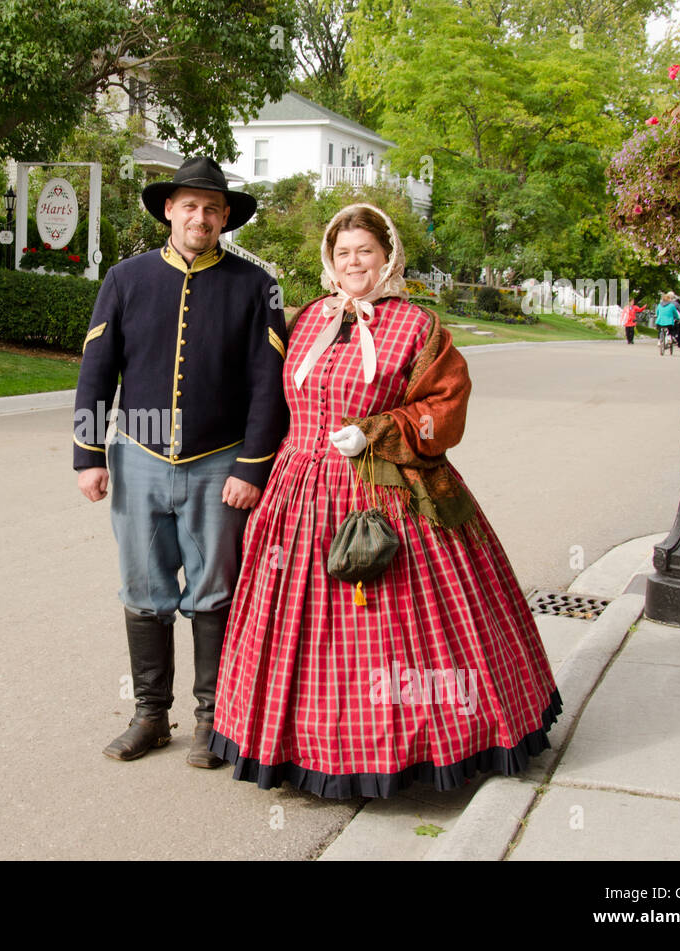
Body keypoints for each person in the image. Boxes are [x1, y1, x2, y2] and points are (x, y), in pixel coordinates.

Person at [208, 203, 561, 798]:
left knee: (391, 617)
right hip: (299, 487)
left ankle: (416, 743)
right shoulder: (306, 319)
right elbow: (268, 394)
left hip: (387, 487)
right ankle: (296, 744)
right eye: (343, 253)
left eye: (364, 252)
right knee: (297, 619)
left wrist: (377, 431)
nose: (353, 263)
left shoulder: (418, 326)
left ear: (387, 256)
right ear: (330, 260)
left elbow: (445, 408)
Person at [74, 156, 289, 768]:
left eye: (212, 208)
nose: (201, 216)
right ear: (169, 210)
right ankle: (150, 717)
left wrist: (252, 468)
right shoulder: (125, 278)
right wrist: (89, 456)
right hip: (137, 456)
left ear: (226, 219)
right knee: (143, 591)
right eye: (190, 205)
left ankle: (211, 720)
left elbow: (267, 387)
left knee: (213, 592)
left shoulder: (255, 286)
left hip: (220, 463)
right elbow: (96, 374)